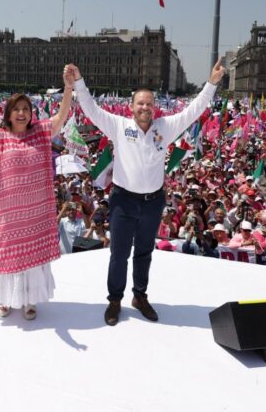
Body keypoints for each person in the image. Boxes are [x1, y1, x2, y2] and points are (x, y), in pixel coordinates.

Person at [66, 59, 225, 326]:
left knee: (144, 253)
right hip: (123, 201)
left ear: (155, 107)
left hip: (152, 202)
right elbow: (91, 110)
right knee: (119, 254)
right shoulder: (118, 125)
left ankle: (139, 296)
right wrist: (79, 82)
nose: (145, 107)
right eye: (140, 103)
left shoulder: (166, 127)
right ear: (132, 107)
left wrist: (211, 83)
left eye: (149, 104)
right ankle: (115, 300)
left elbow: (193, 111)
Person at [0, 67, 73, 320]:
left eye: (26, 109)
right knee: (7, 255)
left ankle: (29, 299)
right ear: (9, 113)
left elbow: (61, 116)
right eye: (17, 109)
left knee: (33, 258)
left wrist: (68, 89)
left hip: (35, 212)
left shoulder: (40, 132)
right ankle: (5, 299)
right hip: (7, 213)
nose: (22, 113)